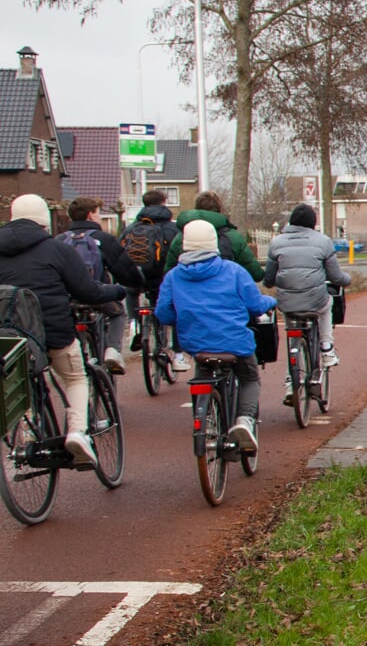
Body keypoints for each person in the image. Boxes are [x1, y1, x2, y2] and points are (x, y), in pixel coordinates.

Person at [0, 194, 128, 465]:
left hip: (9, 335)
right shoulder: (56, 249)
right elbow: (87, 290)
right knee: (75, 377)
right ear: (43, 220)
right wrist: (116, 290)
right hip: (52, 331)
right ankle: (78, 432)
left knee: (18, 377)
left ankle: (25, 432)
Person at [155, 219, 277, 453]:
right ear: (214, 244)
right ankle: (244, 421)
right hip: (235, 343)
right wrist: (271, 301)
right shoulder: (233, 271)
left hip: (197, 345)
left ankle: (206, 421)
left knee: (203, 373)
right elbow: (255, 304)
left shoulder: (173, 276)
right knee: (250, 377)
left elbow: (163, 313)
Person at [263, 204, 350, 404]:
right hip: (315, 301)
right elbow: (335, 276)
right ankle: (327, 348)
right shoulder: (323, 242)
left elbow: (268, 279)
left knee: (292, 332)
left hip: (287, 303)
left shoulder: (277, 243)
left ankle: (290, 382)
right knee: (327, 304)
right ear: (313, 223)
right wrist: (347, 279)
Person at [60, 197, 144, 375]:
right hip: (97, 295)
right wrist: (137, 284)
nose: (99, 217)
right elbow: (124, 269)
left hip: (68, 299)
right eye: (98, 213)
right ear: (90, 215)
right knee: (118, 312)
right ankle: (112, 350)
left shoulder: (59, 240)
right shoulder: (103, 239)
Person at [120, 189, 182, 354]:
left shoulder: (131, 228)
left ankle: (134, 323)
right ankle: (178, 354)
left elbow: (119, 252)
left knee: (131, 290)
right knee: (176, 304)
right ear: (163, 203)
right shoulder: (173, 228)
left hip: (136, 276)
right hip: (162, 278)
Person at [164, 191, 265, 281]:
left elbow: (169, 271)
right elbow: (255, 273)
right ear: (219, 209)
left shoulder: (182, 236)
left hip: (188, 297)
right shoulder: (232, 237)